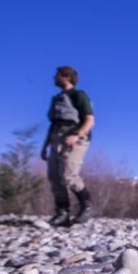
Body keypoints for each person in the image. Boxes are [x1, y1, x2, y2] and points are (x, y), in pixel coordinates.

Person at [40, 66, 95, 226]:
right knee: (54, 177)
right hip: (56, 138)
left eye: (57, 75)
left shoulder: (78, 96)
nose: (54, 78)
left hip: (75, 138)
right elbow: (53, 125)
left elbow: (90, 120)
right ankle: (62, 213)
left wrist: (76, 135)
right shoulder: (57, 99)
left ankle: (87, 207)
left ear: (67, 77)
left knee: (69, 175)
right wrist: (45, 145)